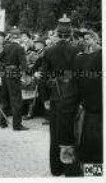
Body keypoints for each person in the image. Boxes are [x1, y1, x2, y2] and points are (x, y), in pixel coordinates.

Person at [40, 14, 80, 176]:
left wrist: (45, 99)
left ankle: (56, 168)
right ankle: (69, 168)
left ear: (57, 33)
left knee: (55, 132)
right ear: (70, 33)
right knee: (70, 131)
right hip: (73, 96)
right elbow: (80, 76)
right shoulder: (77, 50)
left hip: (55, 96)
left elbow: (43, 77)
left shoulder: (49, 51)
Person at [58, 31, 102, 170]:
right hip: (94, 121)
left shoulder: (82, 60)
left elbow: (68, 103)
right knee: (93, 161)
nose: (86, 42)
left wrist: (66, 142)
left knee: (93, 163)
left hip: (94, 123)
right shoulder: (82, 58)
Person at [0, 27, 29, 131]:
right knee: (16, 99)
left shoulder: (6, 47)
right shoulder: (20, 48)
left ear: (11, 37)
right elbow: (24, 65)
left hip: (4, 74)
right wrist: (27, 74)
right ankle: (17, 125)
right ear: (19, 37)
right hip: (13, 75)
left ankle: (3, 122)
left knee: (4, 98)